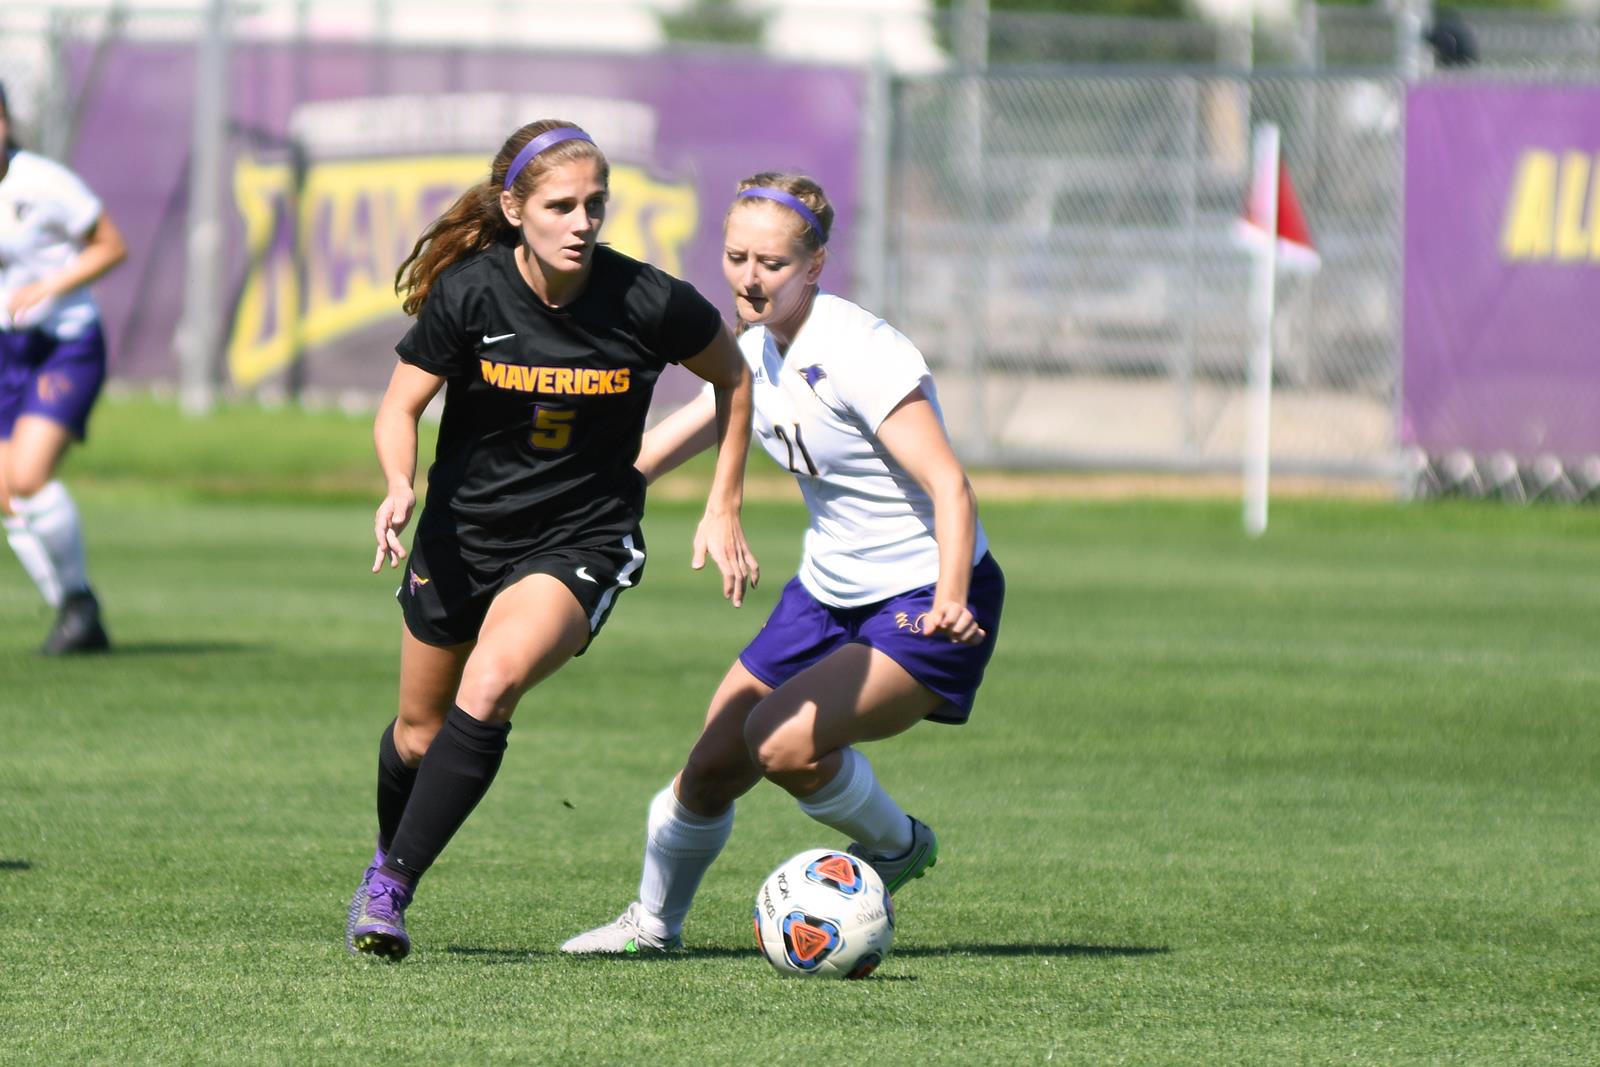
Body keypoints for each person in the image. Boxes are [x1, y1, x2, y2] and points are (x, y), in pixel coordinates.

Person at [345, 120, 758, 961]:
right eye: (561, 205)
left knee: (491, 683)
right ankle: (388, 859)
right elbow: (400, 407)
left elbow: (735, 376)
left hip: (583, 535)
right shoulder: (472, 294)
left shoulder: (649, 299)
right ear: (514, 208)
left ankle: (391, 890)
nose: (581, 222)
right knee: (418, 735)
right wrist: (399, 482)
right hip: (464, 532)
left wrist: (723, 502)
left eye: (594, 205)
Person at [562, 173, 1004, 955]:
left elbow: (950, 484)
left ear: (816, 265)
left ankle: (898, 846)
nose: (749, 277)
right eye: (736, 257)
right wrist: (561, 515)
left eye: (772, 262)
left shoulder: (858, 351)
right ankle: (651, 928)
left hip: (925, 592)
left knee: (781, 741)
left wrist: (953, 595)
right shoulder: (753, 351)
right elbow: (657, 449)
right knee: (709, 766)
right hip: (825, 594)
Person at [0, 80, 127, 654]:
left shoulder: (41, 182)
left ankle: (79, 607)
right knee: (6, 491)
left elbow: (110, 244)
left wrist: (49, 285)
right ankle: (76, 610)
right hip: (10, 350)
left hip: (66, 344)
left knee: (28, 475)